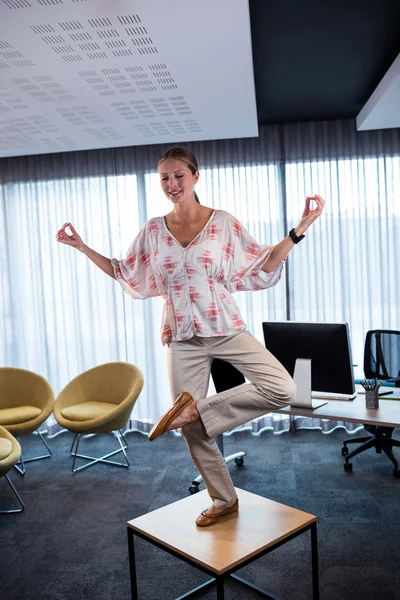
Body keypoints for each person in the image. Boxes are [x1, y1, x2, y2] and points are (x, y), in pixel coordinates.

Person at [56, 146, 325, 527]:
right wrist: (82, 247)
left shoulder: (223, 223)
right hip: (181, 335)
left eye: (179, 175)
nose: (171, 184)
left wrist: (300, 229)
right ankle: (223, 499)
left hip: (225, 326)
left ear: (196, 177)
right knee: (189, 430)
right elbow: (124, 271)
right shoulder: (152, 230)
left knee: (282, 388)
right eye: (164, 178)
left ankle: (197, 409)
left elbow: (263, 261)